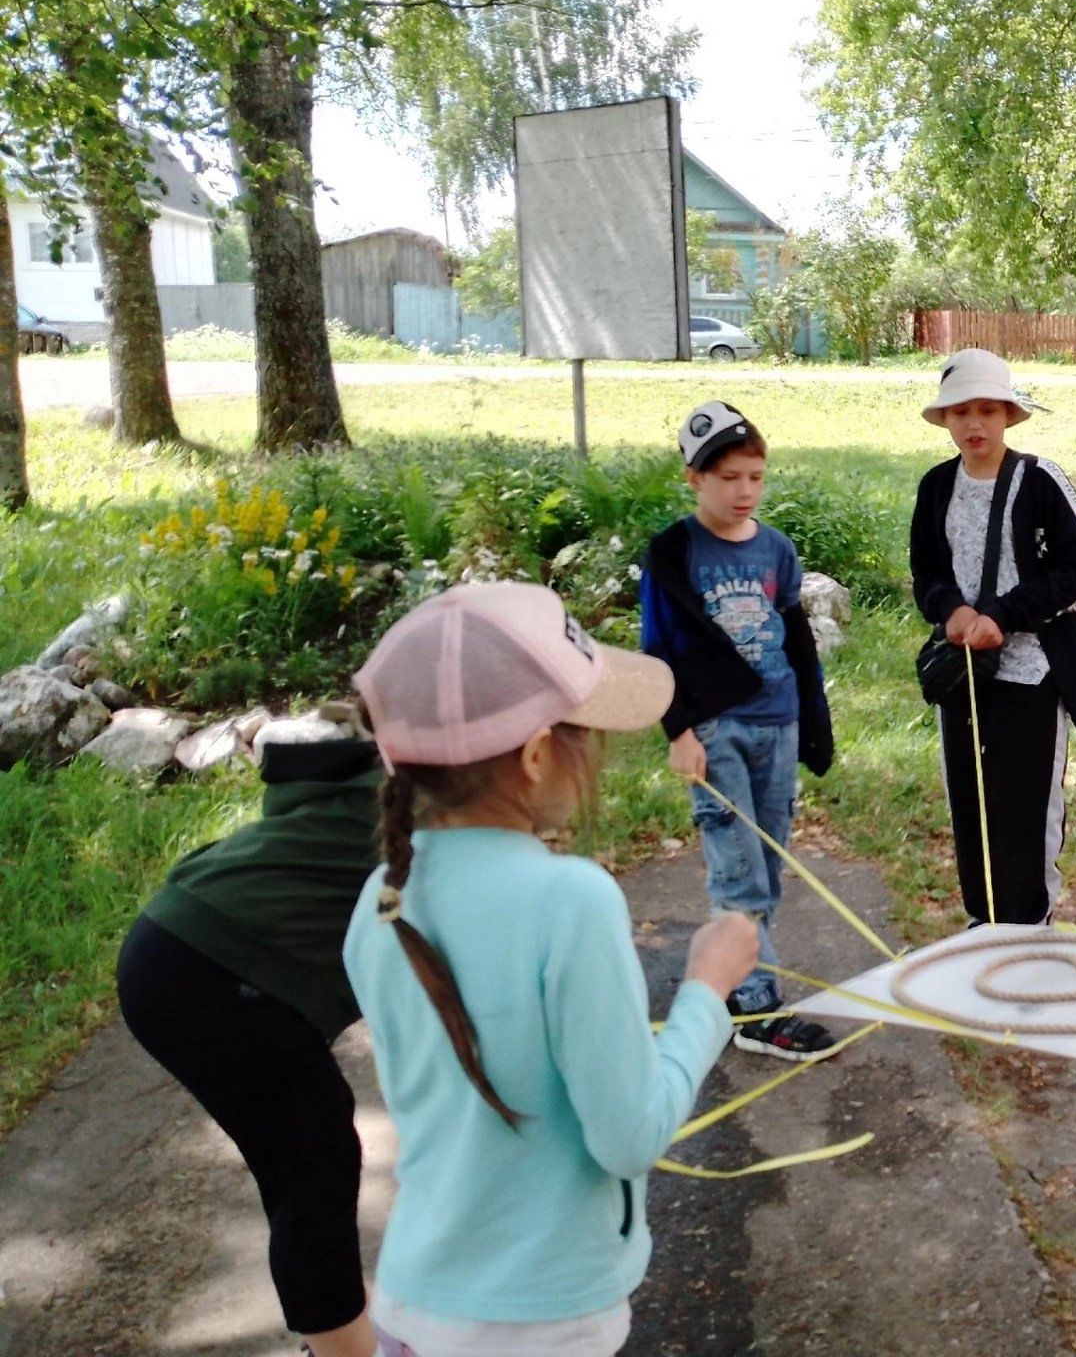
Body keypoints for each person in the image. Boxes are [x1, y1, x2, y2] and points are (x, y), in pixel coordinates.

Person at [342, 580, 760, 1357]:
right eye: (585, 733)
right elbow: (629, 1135)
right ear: (537, 756)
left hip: (410, 1304)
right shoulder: (571, 900)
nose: (594, 752)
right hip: (541, 1325)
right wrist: (707, 989)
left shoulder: (381, 894)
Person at [116, 734, 386, 1357]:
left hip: (176, 936)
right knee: (312, 1166)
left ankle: (341, 1340)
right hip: (207, 970)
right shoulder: (444, 806)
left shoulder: (399, 772)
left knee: (314, 1156)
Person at [642, 400, 838, 1060]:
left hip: (777, 723)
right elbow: (657, 650)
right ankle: (755, 1009)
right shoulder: (674, 554)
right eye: (728, 478)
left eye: (755, 475)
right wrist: (678, 732)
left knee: (768, 862)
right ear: (694, 478)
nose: (744, 491)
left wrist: (814, 723)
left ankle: (733, 976)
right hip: (715, 729)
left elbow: (797, 640)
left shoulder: (777, 549)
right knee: (738, 868)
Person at [909, 348, 1076, 925]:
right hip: (964, 671)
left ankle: (1028, 925)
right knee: (968, 799)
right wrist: (950, 613)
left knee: (1026, 803)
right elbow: (927, 571)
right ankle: (981, 919)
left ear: (1008, 416)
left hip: (1033, 672)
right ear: (944, 419)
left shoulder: (1041, 481)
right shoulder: (937, 486)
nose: (974, 424)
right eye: (960, 411)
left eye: (987, 410)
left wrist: (1003, 616)